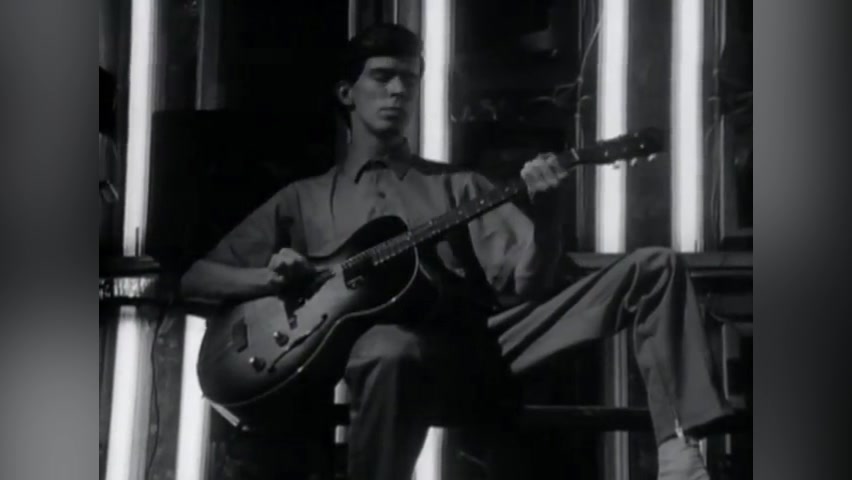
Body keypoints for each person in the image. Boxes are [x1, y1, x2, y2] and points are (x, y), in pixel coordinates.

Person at [181, 23, 731, 480]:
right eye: (383, 77)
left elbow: (530, 285)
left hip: (475, 351)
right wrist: (273, 279)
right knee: (387, 346)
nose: (399, 91)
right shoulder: (302, 199)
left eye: (410, 80)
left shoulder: (458, 187)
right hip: (377, 361)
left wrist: (547, 214)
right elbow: (195, 279)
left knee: (656, 266)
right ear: (347, 93)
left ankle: (679, 449)